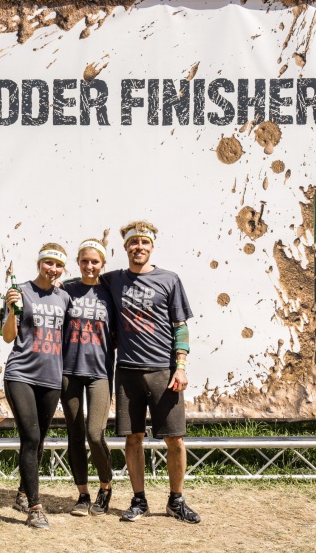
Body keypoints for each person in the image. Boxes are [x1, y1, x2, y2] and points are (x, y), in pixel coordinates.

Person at [101, 220, 201, 524]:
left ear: (152, 246)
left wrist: (180, 367)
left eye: (144, 242)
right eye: (134, 242)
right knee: (133, 439)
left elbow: (180, 327)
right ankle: (139, 501)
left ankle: (176, 500)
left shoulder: (169, 279)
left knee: (175, 439)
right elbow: (82, 283)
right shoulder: (113, 280)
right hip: (127, 371)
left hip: (163, 372)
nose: (139, 247)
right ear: (125, 247)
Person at [1, 243, 71, 530]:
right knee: (30, 437)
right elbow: (8, 337)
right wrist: (11, 310)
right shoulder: (20, 292)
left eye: (58, 264)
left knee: (39, 439)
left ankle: (22, 493)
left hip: (51, 376)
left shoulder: (64, 297)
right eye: (48, 263)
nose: (52, 269)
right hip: (21, 374)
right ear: (39, 263)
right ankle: (35, 507)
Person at [60, 239, 116, 516]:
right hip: (68, 372)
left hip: (99, 372)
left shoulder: (111, 293)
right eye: (85, 261)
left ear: (102, 264)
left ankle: (105, 487)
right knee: (75, 434)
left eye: (95, 262)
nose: (89, 266)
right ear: (78, 262)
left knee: (95, 434)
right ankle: (82, 495)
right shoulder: (66, 290)